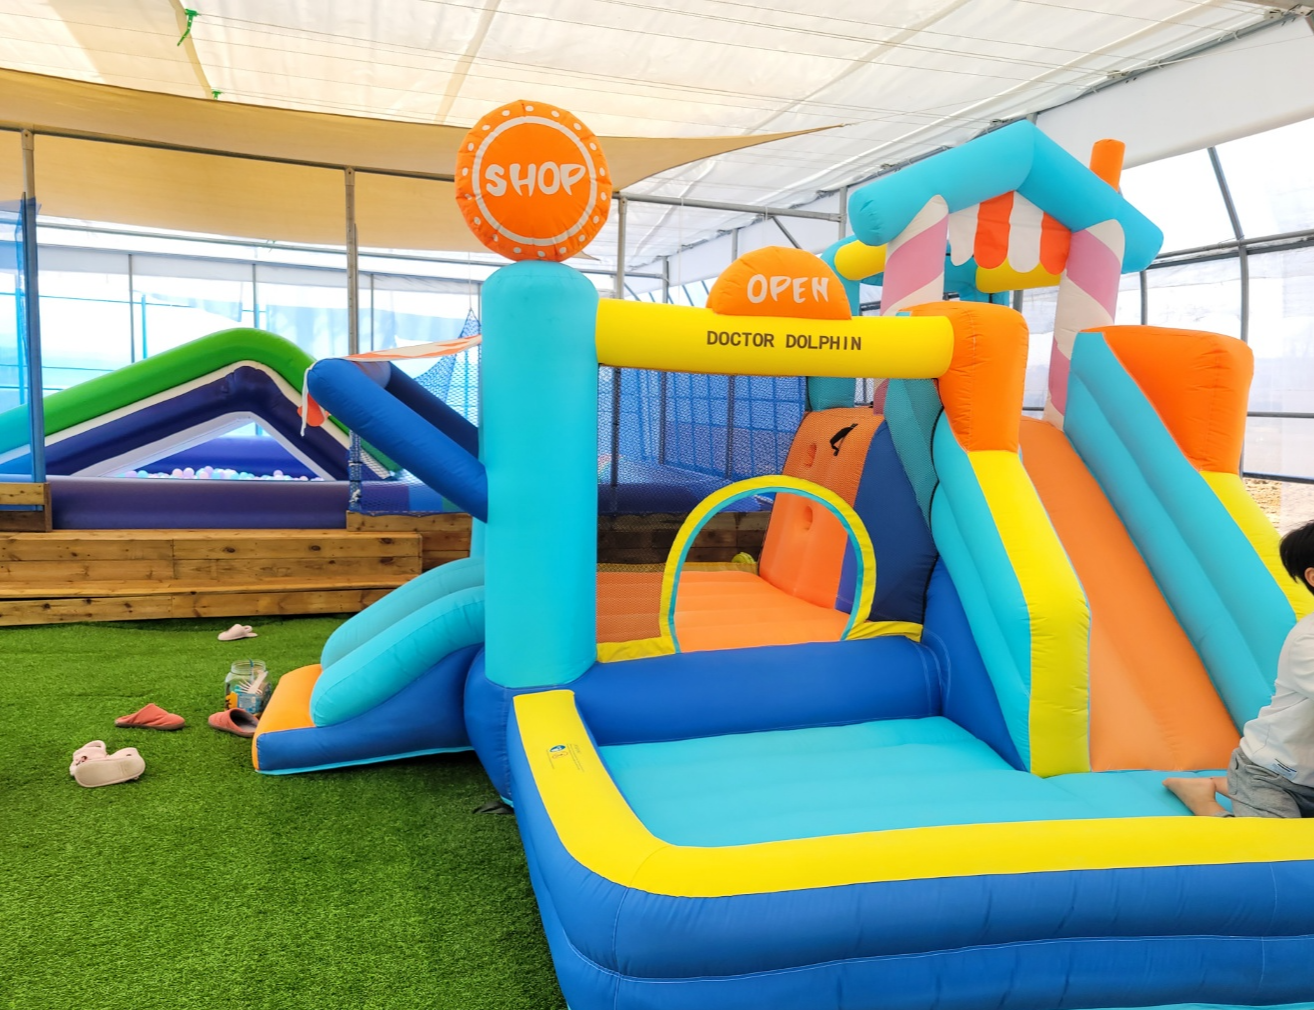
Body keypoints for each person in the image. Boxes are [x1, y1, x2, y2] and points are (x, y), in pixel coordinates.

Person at [1165, 519, 1314, 818]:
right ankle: (1203, 800)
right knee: (1274, 846)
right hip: (1273, 775)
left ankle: (1230, 786)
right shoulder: (1307, 641)